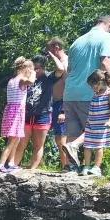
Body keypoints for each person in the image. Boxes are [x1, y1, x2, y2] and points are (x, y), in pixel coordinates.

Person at [62, 15, 110, 171]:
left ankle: (72, 167)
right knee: (93, 130)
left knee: (73, 131)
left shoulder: (77, 42)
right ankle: (82, 156)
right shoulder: (107, 37)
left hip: (70, 92)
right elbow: (106, 62)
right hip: (90, 93)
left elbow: (69, 70)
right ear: (109, 24)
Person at [16, 55, 58, 170]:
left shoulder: (49, 76)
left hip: (43, 115)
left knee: (38, 145)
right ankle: (13, 166)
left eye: (37, 68)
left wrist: (53, 55)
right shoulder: (27, 78)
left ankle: (32, 169)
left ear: (43, 68)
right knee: (21, 143)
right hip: (27, 115)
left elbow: (61, 69)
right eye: (33, 68)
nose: (34, 71)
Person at [0, 57, 35, 173]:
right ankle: (1, 164)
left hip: (12, 110)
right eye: (30, 69)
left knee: (16, 138)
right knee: (12, 140)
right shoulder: (21, 80)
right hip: (17, 112)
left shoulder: (12, 80)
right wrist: (33, 73)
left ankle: (11, 162)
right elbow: (31, 81)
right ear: (26, 69)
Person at [80, 69, 110, 176]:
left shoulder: (109, 93)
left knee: (99, 146)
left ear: (100, 81)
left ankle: (96, 167)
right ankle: (86, 166)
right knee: (87, 145)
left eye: (94, 85)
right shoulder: (96, 93)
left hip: (103, 125)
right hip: (91, 124)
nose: (93, 88)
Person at [45, 37, 70, 170]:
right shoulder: (60, 63)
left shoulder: (66, 63)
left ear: (56, 47)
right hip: (55, 103)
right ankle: (64, 165)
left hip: (63, 104)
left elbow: (69, 86)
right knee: (58, 138)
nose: (49, 54)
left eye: (50, 50)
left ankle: (68, 165)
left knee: (63, 138)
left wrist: (64, 111)